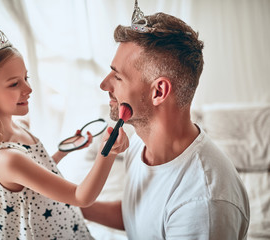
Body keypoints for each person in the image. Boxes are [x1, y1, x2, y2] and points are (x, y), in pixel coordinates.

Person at [81, 2, 250, 240]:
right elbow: (139, 214)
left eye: (118, 77)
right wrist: (75, 204)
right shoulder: (141, 143)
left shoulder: (203, 206)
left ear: (159, 92)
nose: (104, 85)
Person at [0, 23, 129, 240]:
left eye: (26, 78)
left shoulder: (19, 128)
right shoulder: (6, 159)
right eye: (14, 84)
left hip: (68, 227)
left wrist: (62, 152)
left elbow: (33, 178)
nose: (28, 89)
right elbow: (81, 197)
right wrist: (108, 153)